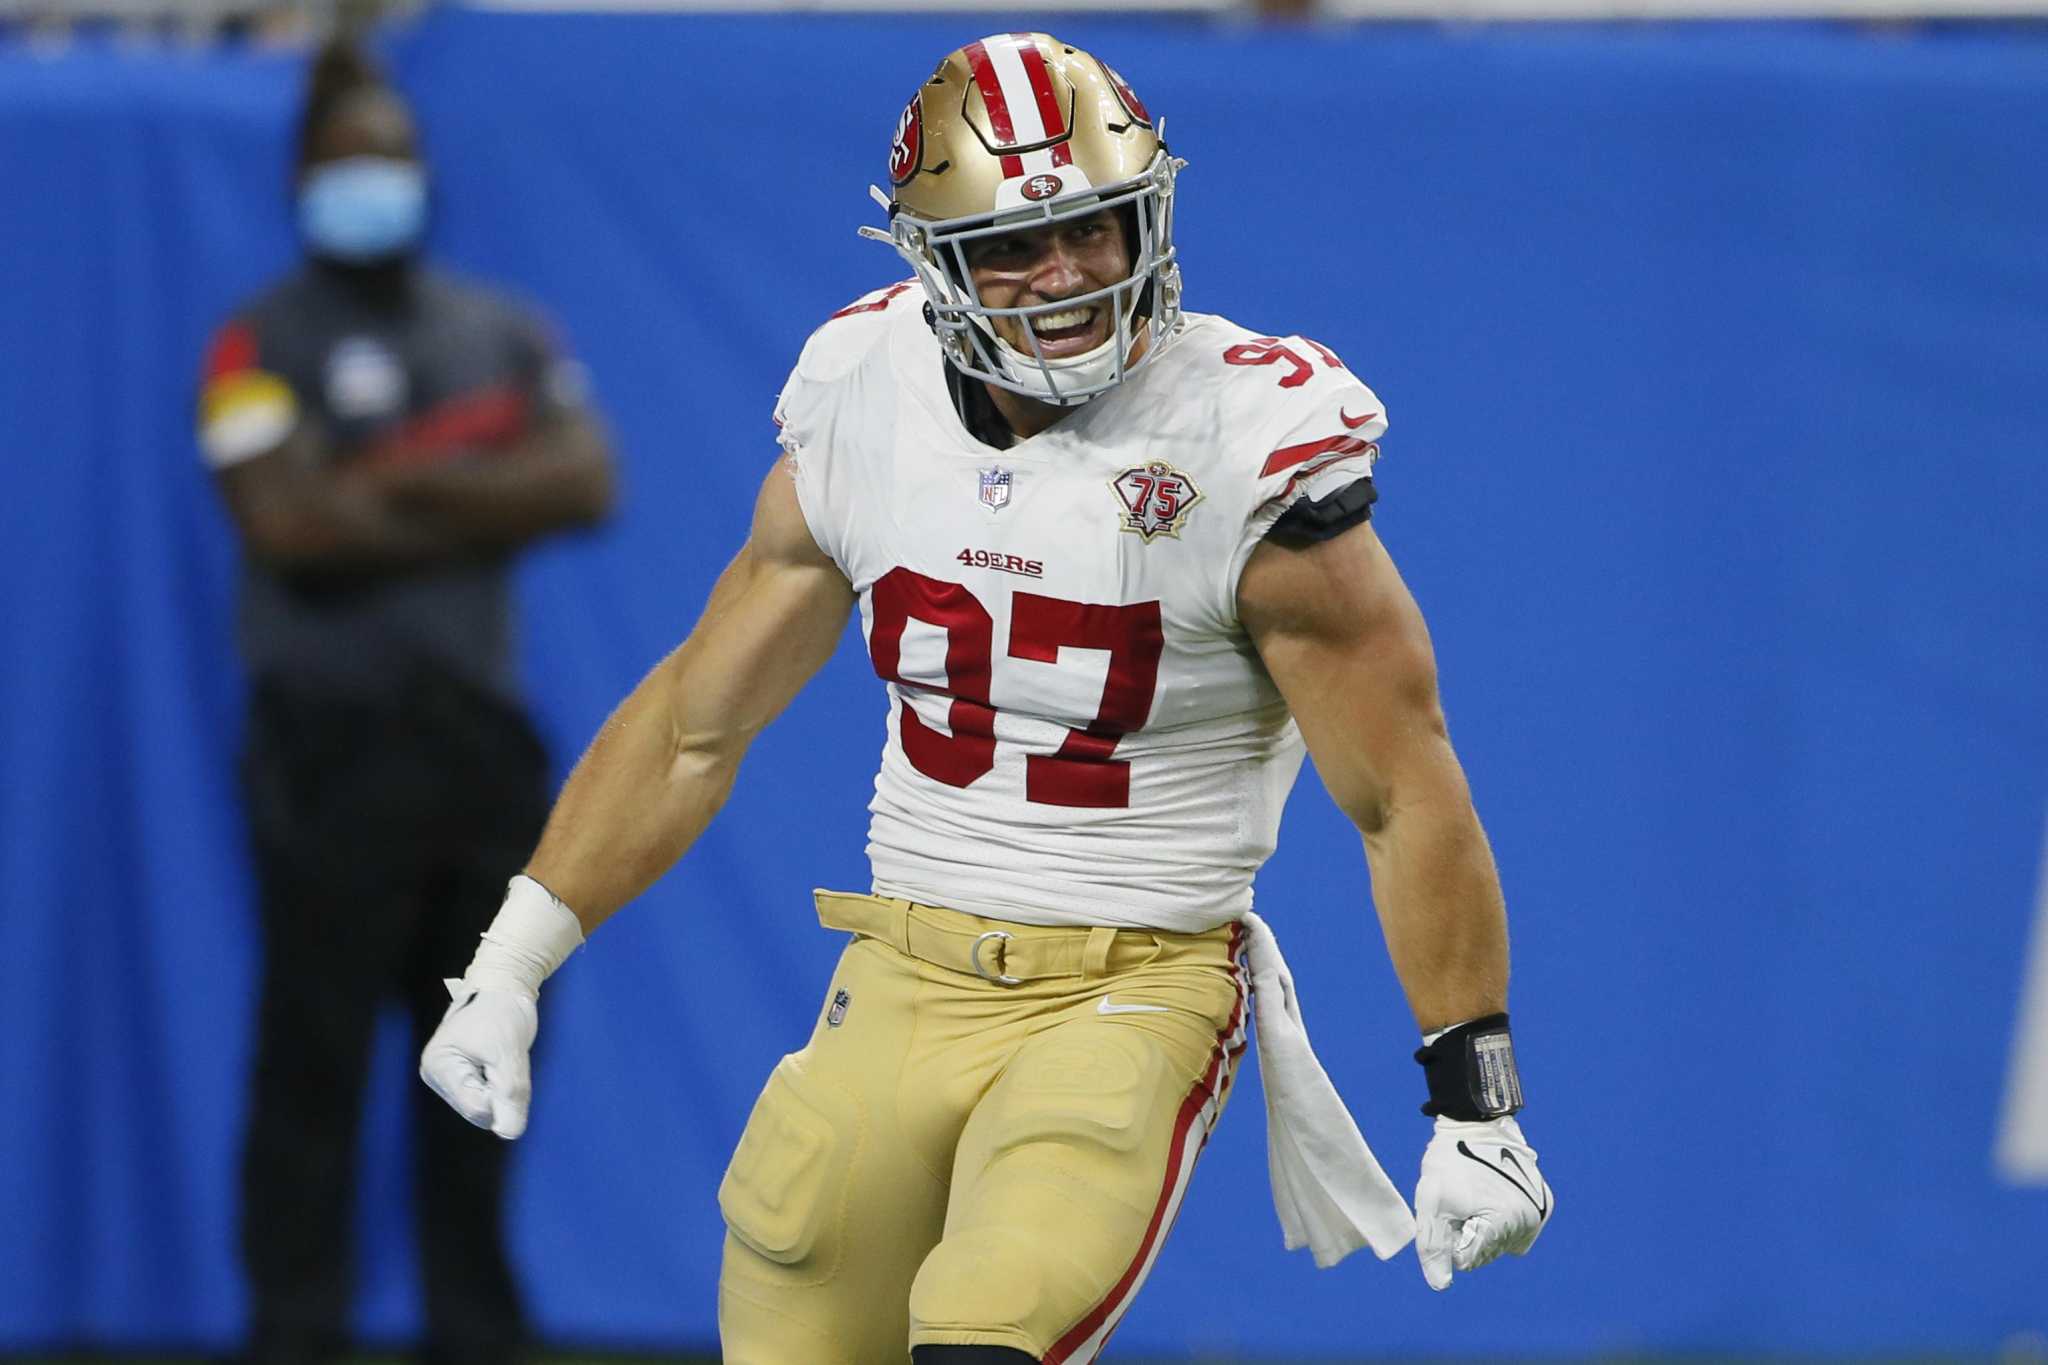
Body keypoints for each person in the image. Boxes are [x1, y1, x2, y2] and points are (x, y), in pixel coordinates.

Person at [420, 32, 1549, 1364]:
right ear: (933, 261)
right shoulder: (864, 395)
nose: (1063, 275)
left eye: (1095, 228)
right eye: (1014, 246)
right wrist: (509, 962)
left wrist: (1477, 1105)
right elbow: (693, 724)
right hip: (900, 966)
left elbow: (1403, 787)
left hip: (1134, 984)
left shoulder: (1246, 446)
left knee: (985, 1330)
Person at [196, 34, 615, 1365]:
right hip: (325, 754)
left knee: (482, 1059)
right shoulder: (254, 340)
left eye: (386, 156)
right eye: (341, 159)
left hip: (479, 752)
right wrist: (479, 478)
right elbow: (289, 525)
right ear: (302, 176)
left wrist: (381, 479)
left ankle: (477, 1333)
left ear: (422, 173)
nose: (365, 177)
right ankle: (294, 1332)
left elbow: (585, 480)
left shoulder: (502, 326)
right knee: (311, 1064)